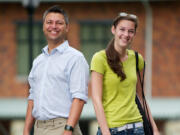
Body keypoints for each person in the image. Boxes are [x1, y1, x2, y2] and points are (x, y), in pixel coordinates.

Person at [23, 5, 89, 135]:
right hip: (38, 128)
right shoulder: (38, 61)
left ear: (67, 27)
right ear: (43, 27)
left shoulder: (75, 58)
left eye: (59, 23)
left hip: (62, 127)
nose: (54, 26)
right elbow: (32, 98)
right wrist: (26, 130)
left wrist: (68, 129)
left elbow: (79, 98)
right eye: (49, 22)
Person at [90, 12, 160, 135]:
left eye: (131, 31)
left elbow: (140, 97)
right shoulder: (100, 58)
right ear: (113, 30)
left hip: (137, 127)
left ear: (134, 34)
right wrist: (106, 132)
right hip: (112, 129)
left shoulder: (137, 59)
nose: (126, 34)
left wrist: (154, 128)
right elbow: (96, 99)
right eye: (122, 29)